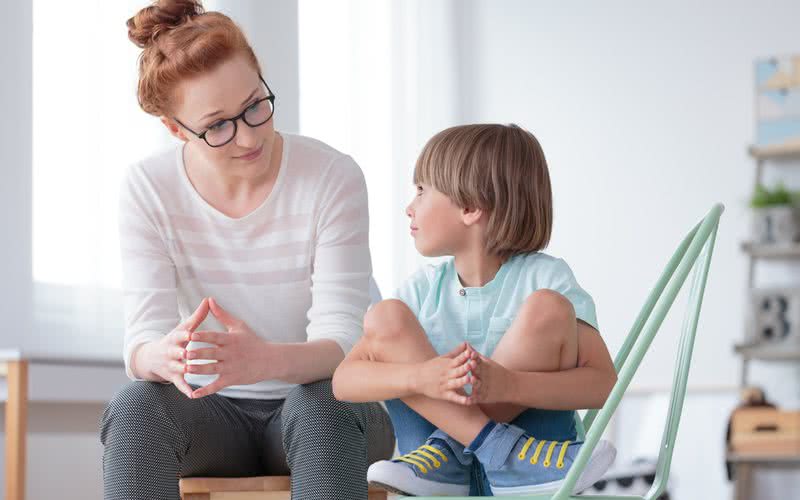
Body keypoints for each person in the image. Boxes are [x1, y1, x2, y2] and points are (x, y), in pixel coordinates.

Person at [99, 1, 393, 499]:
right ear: (176, 130)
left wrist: (265, 361)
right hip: (214, 417)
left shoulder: (331, 176)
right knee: (136, 407)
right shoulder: (148, 188)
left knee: (322, 406)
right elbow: (141, 342)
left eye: (256, 105)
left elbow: (341, 345)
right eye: (218, 126)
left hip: (326, 405)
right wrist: (161, 357)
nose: (250, 135)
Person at [332, 123, 618, 496]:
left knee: (547, 308)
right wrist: (422, 377)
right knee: (385, 316)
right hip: (439, 477)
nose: (409, 207)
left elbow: (603, 386)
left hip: (538, 475)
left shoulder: (546, 280)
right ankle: (483, 451)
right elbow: (344, 381)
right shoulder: (419, 293)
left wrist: (510, 384)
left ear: (470, 207)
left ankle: (459, 450)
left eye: (421, 190)